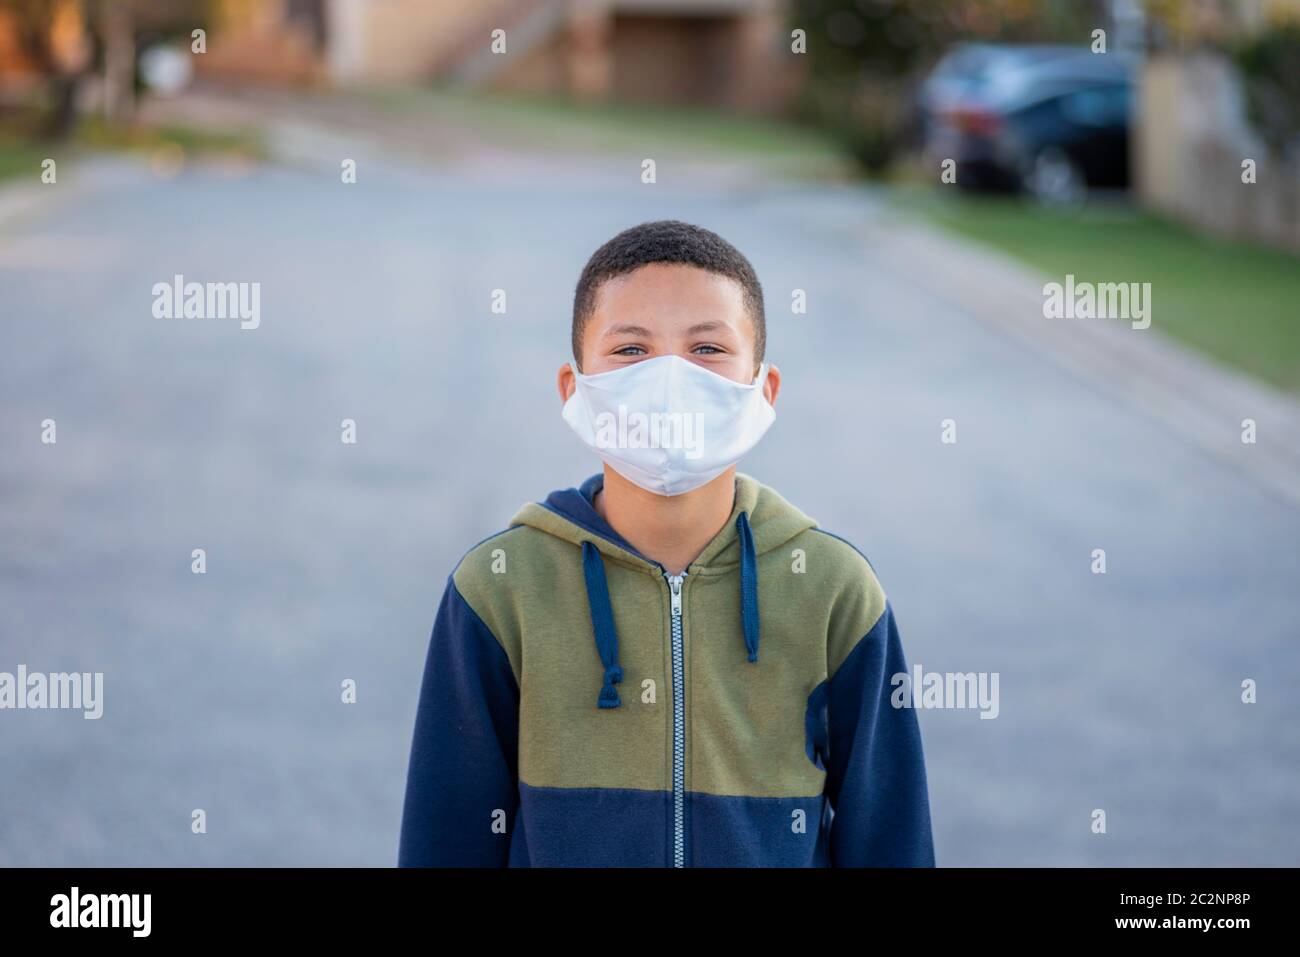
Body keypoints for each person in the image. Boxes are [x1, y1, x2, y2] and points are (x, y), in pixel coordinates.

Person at [398, 220, 935, 867]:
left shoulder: (835, 592)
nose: (670, 379)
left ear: (763, 390)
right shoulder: (500, 588)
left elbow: (892, 841)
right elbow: (446, 839)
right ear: (575, 389)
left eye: (707, 348)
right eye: (631, 350)